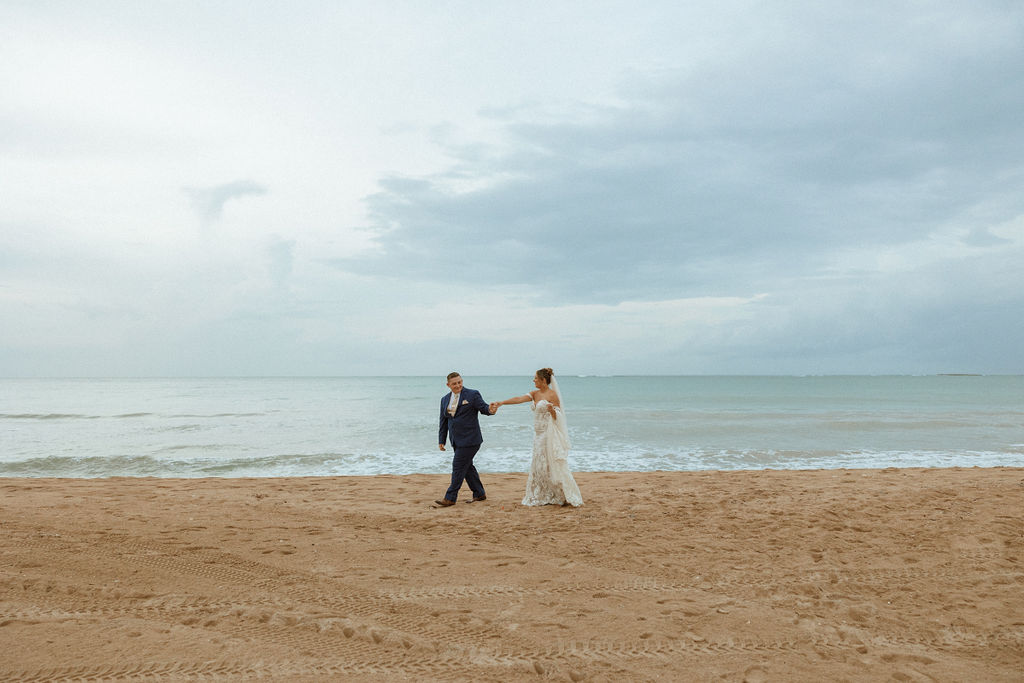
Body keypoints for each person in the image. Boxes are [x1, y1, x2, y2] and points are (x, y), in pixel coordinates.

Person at [491, 368, 583, 507]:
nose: (533, 380)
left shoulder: (553, 395)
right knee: (539, 465)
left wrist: (552, 411)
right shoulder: (535, 393)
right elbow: (519, 399)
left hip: (548, 434)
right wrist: (502, 402)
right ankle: (543, 493)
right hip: (538, 434)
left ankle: (558, 493)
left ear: (543, 380)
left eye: (535, 378)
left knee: (548, 464)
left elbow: (559, 416)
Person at [436, 372, 496, 507]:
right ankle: (479, 493)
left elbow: (484, 408)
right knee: (467, 467)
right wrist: (442, 440)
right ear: (448, 385)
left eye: (459, 382)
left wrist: (491, 410)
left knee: (458, 466)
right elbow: (443, 421)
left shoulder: (472, 394)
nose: (458, 385)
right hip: (455, 440)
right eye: (454, 383)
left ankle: (450, 498)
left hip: (471, 439)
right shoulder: (444, 399)